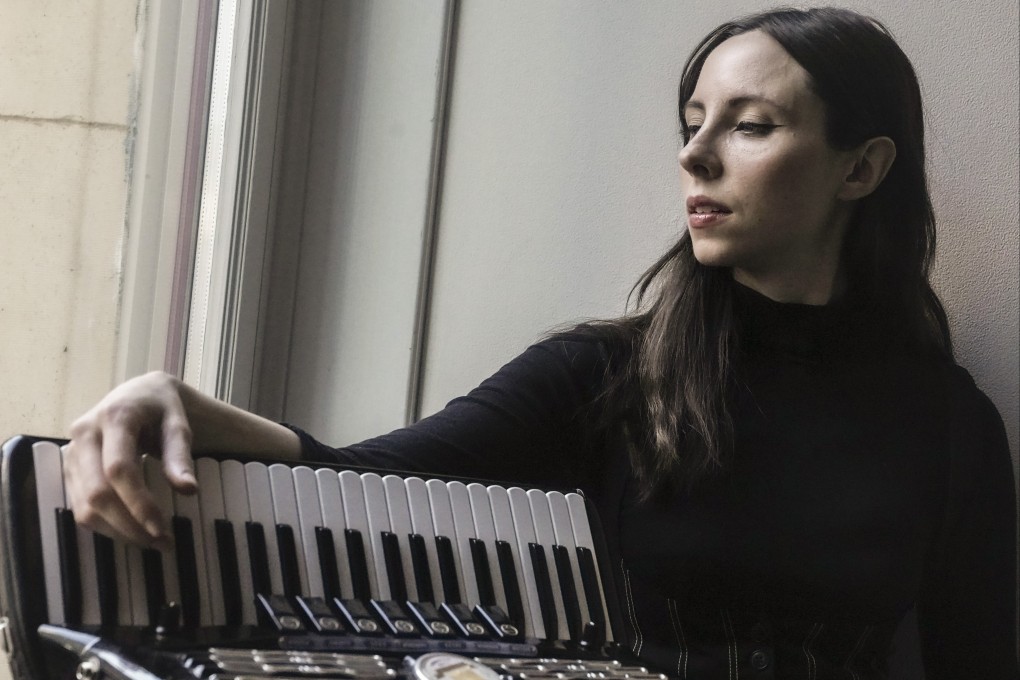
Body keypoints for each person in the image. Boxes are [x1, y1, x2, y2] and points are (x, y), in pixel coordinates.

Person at [63, 7, 1016, 679]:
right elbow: (362, 484)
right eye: (693, 126)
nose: (696, 155)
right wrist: (174, 401)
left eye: (750, 126)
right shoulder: (607, 375)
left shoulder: (949, 425)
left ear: (862, 167)